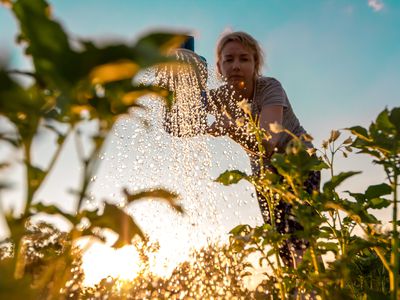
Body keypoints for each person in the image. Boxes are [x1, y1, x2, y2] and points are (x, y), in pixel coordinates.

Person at [207, 31, 320, 267]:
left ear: (255, 64)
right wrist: (176, 78)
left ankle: (313, 290)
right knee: (281, 243)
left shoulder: (270, 88)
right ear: (219, 66)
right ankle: (305, 289)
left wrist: (230, 128)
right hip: (266, 176)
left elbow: (268, 143)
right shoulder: (220, 97)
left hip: (299, 163)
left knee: (299, 236)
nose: (236, 66)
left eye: (244, 59)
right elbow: (180, 122)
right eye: (229, 60)